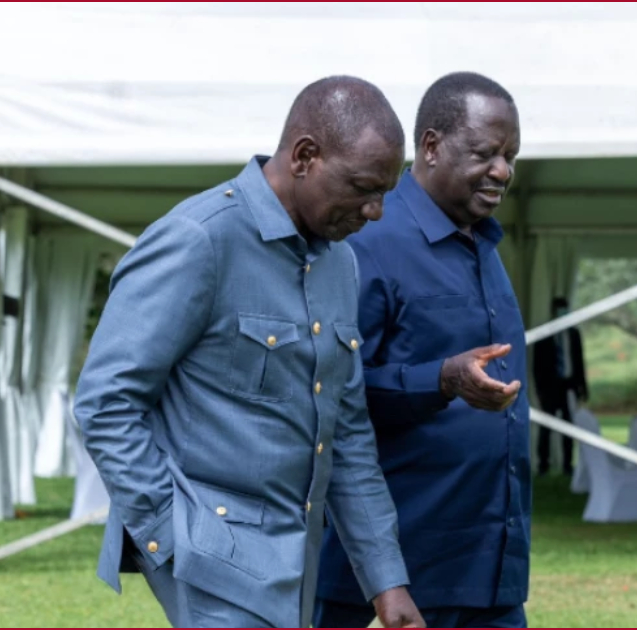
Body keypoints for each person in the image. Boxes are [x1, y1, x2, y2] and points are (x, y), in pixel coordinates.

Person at [72, 76, 424, 629]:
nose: (376, 211)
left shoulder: (340, 262)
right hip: (212, 559)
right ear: (305, 156)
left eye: (385, 192)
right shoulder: (199, 239)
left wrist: (386, 579)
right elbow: (105, 402)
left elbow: (347, 430)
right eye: (363, 188)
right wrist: (170, 533)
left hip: (293, 561)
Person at [315, 72, 529, 628]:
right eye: (486, 153)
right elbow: (328, 395)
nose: (502, 171)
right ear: (431, 146)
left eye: (511, 155)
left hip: (489, 572)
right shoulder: (368, 241)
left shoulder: (484, 243)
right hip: (390, 579)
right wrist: (441, 380)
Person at [532, 297, 588, 475]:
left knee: (568, 425)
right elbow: (537, 366)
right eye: (559, 309)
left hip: (568, 386)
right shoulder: (544, 335)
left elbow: (579, 362)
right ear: (553, 311)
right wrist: (540, 391)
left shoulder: (573, 334)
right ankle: (543, 464)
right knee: (547, 427)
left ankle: (567, 464)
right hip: (550, 387)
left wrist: (582, 387)